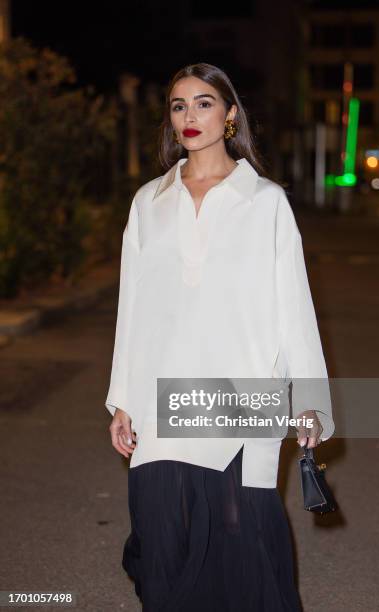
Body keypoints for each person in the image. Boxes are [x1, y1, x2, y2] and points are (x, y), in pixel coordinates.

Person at [105, 62, 335, 611]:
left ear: (230, 114)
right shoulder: (148, 203)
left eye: (204, 103)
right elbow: (130, 308)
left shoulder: (266, 202)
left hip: (241, 390)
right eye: (179, 105)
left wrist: (306, 402)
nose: (189, 116)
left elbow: (294, 310)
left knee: (245, 543)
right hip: (160, 393)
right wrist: (121, 401)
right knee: (166, 541)